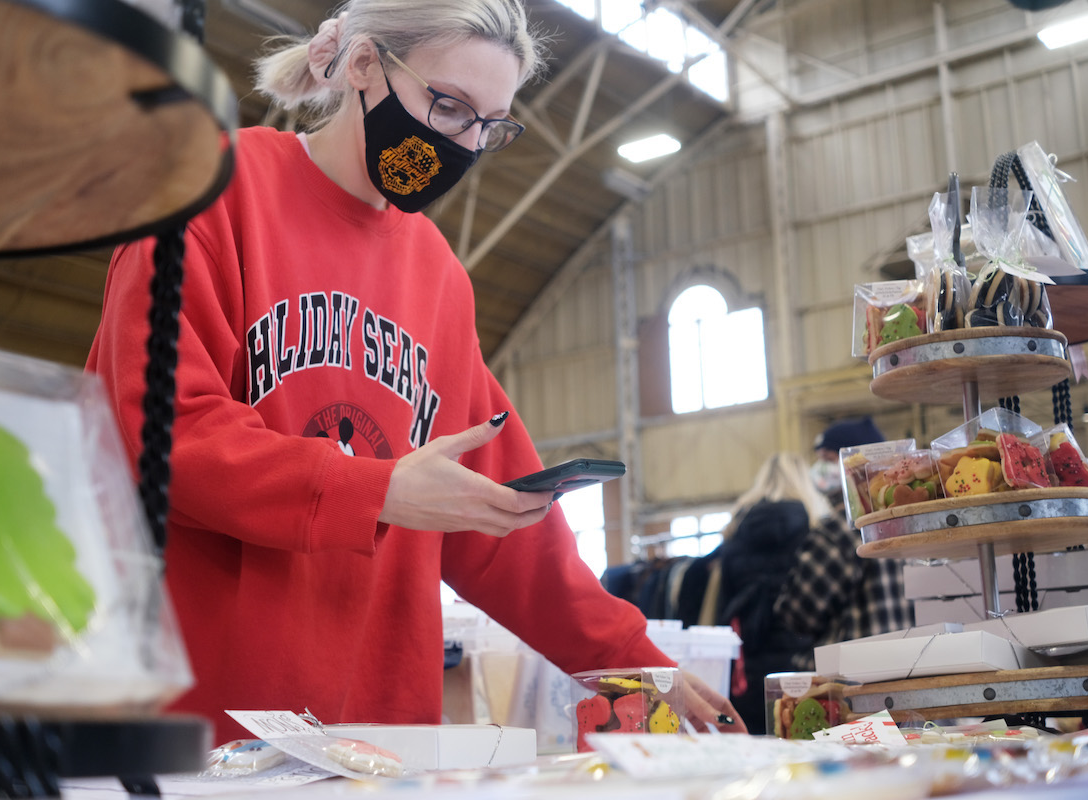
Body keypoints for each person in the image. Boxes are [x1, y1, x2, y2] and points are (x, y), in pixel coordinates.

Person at [86, 0, 743, 744]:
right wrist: (377, 489)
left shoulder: (438, 275)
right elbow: (157, 433)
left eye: (488, 126)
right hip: (211, 727)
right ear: (364, 64)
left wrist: (634, 661)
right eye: (449, 105)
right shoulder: (207, 188)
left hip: (383, 740)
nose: (462, 142)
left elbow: (504, 521)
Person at [711, 452, 836, 735]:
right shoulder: (817, 526)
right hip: (805, 662)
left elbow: (724, 607)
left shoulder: (736, 531)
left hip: (749, 668)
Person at [775, 417, 913, 670]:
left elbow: (799, 613)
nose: (818, 470)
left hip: (851, 684)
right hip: (907, 670)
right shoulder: (913, 524)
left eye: (828, 460)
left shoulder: (838, 530)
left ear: (855, 465)